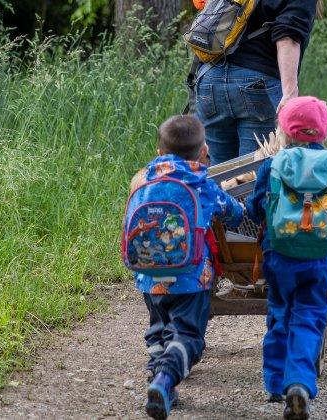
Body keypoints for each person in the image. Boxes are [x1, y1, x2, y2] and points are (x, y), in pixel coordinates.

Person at [125, 115, 245, 420]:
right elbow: (233, 213)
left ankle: (158, 373)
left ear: (158, 151)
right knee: (188, 335)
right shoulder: (203, 184)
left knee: (159, 328)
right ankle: (165, 380)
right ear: (204, 150)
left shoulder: (143, 179)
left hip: (149, 273)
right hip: (192, 277)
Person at [246, 97, 327, 420]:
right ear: (322, 132)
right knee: (308, 318)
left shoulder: (272, 164)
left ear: (285, 133)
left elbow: (254, 207)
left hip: (279, 255)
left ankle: (275, 383)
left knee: (279, 314)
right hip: (319, 257)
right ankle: (300, 384)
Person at [188, 0, 320, 165]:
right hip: (257, 85)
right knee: (254, 173)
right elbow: (288, 37)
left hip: (210, 80)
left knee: (220, 173)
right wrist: (290, 94)